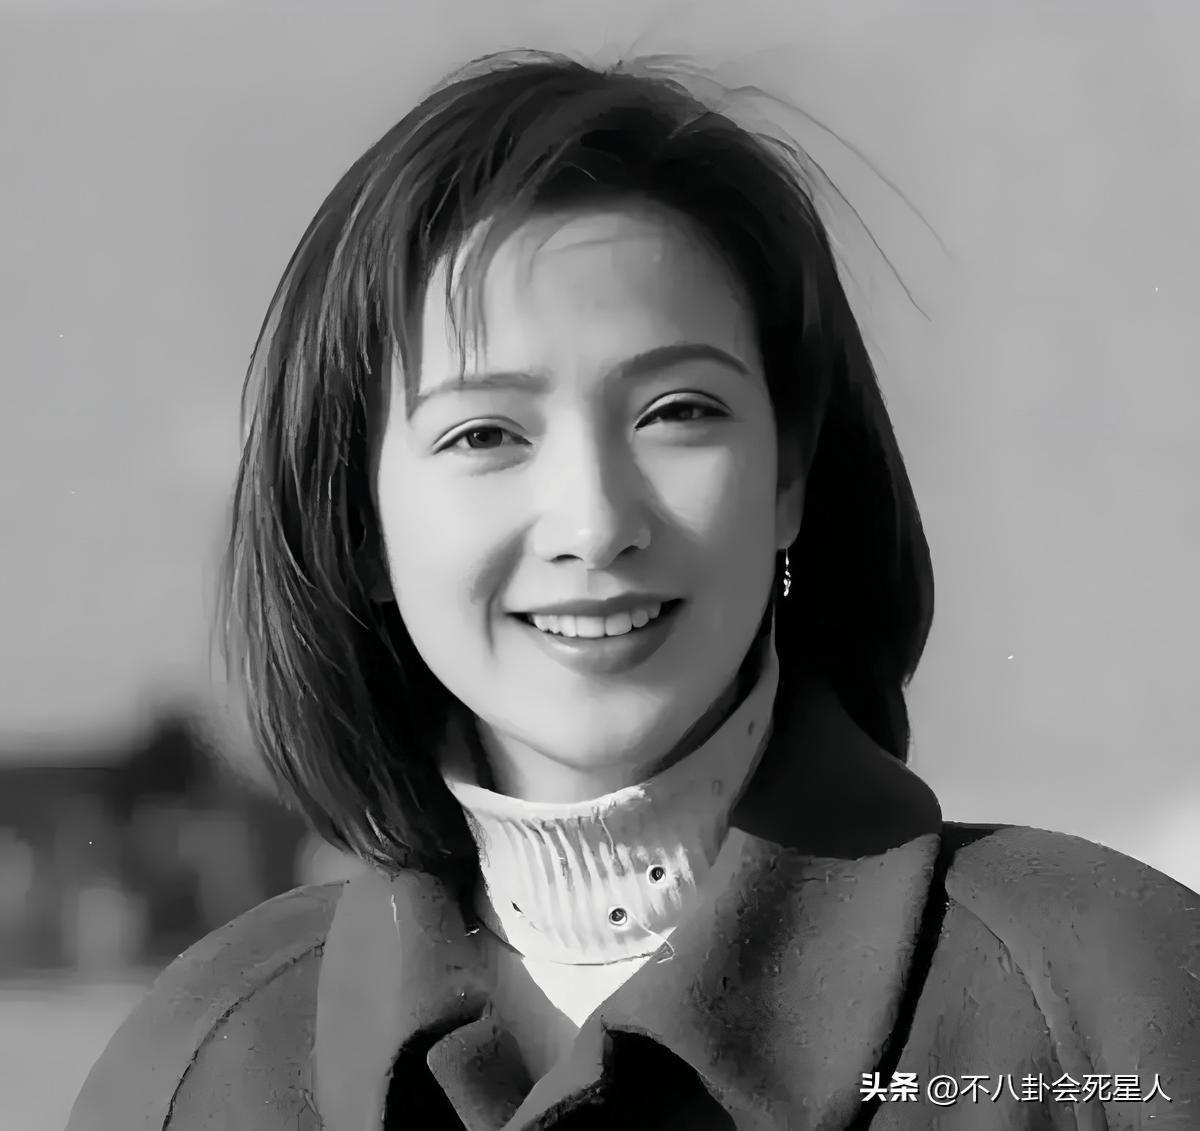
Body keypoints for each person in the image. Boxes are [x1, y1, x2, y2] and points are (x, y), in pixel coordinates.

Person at [67, 50, 1199, 1130]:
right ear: (359, 525)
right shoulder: (202, 1066)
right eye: (485, 433)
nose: (596, 523)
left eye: (678, 412)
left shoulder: (1104, 998)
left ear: (789, 478)